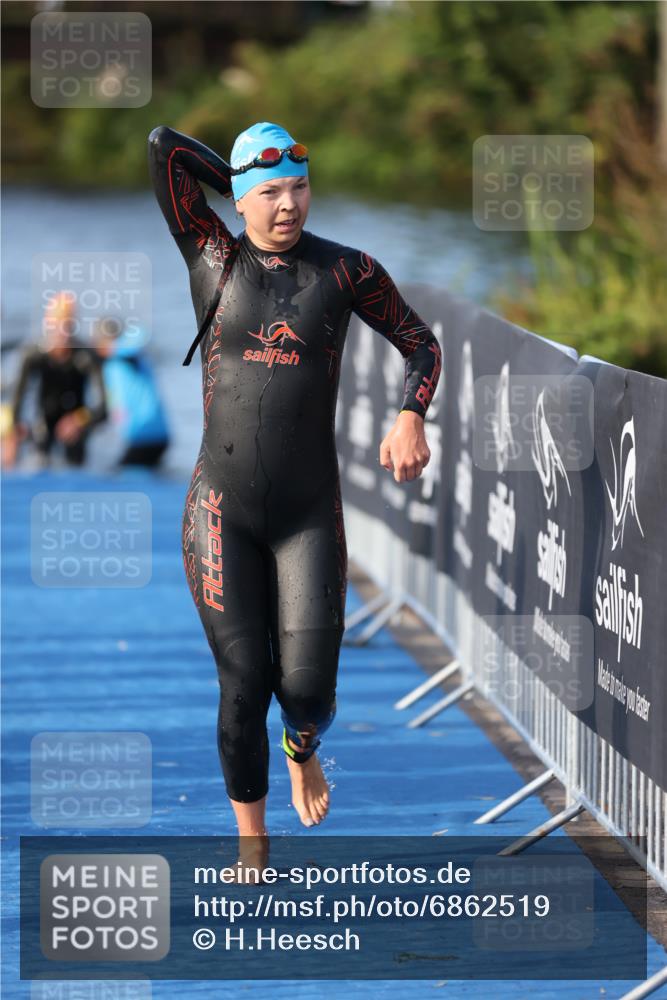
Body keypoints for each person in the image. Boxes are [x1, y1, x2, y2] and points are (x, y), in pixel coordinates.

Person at [147, 121, 441, 868]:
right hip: (221, 509)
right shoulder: (211, 254)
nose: (288, 205)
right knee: (244, 682)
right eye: (269, 192)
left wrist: (410, 414)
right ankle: (253, 841)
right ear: (239, 199)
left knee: (306, 695)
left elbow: (420, 343)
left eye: (299, 187)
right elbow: (163, 148)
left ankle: (300, 747)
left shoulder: (346, 273)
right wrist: (240, 173)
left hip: (308, 513)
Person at [5, 292, 107, 468]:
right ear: (48, 326)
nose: (62, 334)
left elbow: (104, 407)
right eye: (57, 327)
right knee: (37, 444)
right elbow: (17, 397)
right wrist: (13, 431)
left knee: (75, 452)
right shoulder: (33, 355)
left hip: (76, 426)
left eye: (67, 327)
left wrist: (78, 421)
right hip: (43, 422)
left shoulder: (85, 357)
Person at [94, 318, 170, 467]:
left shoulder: (128, 356)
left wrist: (114, 347)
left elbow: (142, 335)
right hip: (136, 436)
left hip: (148, 434)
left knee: (126, 480)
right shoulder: (110, 364)